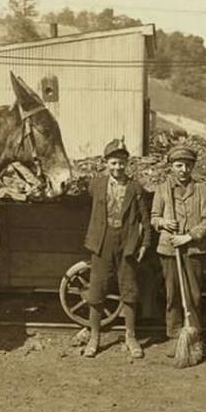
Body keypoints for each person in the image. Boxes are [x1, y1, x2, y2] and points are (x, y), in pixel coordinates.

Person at [83, 138, 152, 358]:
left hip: (127, 243)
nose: (118, 167)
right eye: (113, 163)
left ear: (127, 164)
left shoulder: (135, 187)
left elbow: (145, 218)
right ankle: (95, 337)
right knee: (96, 291)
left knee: (129, 290)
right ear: (106, 163)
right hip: (101, 242)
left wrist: (145, 243)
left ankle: (131, 337)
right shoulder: (96, 184)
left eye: (122, 163)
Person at [150, 144, 206, 358]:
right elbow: (153, 217)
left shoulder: (201, 189)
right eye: (179, 165)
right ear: (172, 167)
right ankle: (174, 337)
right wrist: (162, 222)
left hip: (194, 249)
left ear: (192, 167)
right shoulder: (162, 190)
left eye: (188, 165)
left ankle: (195, 337)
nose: (183, 170)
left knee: (194, 295)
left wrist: (189, 236)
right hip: (169, 250)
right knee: (172, 295)